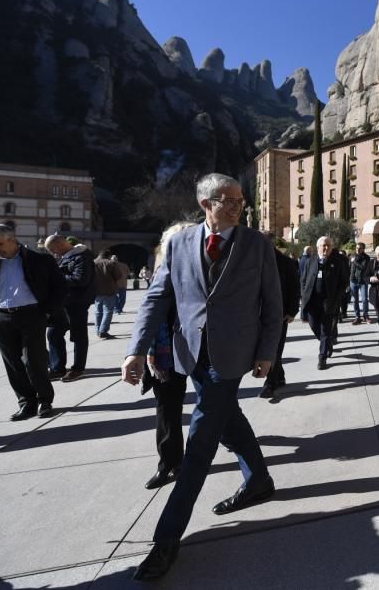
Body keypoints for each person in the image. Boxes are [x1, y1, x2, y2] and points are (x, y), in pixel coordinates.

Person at [122, 172, 282, 581]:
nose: (236, 206)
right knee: (228, 418)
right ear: (205, 204)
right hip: (190, 353)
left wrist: (267, 354)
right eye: (227, 200)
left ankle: (166, 540)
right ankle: (259, 479)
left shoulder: (255, 244)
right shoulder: (178, 243)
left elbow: (273, 303)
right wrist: (136, 349)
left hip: (233, 355)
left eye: (240, 200)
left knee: (198, 448)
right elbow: (157, 297)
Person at [0, 224, 66, 420]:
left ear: (12, 239)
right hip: (0, 318)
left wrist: (47, 312)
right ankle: (27, 403)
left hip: (31, 315)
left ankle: (44, 400)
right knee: (13, 364)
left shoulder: (40, 260)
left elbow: (60, 287)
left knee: (34, 362)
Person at [138, 221, 194, 491]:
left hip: (203, 348)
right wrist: (140, 351)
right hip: (165, 351)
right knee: (167, 411)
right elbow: (149, 312)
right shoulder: (160, 271)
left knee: (221, 409)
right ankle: (170, 463)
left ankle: (199, 456)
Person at [44, 234, 95, 382]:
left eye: (53, 250)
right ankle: (57, 368)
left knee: (78, 337)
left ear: (60, 245)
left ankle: (78, 369)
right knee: (53, 333)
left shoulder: (82, 257)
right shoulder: (68, 256)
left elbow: (80, 279)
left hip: (76, 303)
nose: (54, 254)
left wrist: (55, 277)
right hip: (63, 303)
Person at [261, 231, 300, 399]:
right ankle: (280, 376)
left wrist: (292, 311)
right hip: (258, 314)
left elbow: (294, 289)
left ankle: (270, 384)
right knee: (270, 350)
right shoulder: (254, 262)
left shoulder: (286, 263)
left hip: (280, 313)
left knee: (274, 350)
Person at [300, 236, 348, 370]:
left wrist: (337, 297)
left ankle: (322, 358)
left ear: (332, 247)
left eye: (328, 245)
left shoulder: (337, 262)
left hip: (329, 302)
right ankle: (327, 344)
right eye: (323, 245)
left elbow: (344, 282)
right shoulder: (311, 261)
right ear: (318, 247)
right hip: (312, 301)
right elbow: (303, 280)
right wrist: (303, 295)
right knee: (314, 326)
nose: (326, 248)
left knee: (325, 330)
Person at [92, 249, 122, 339]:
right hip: (109, 290)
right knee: (108, 311)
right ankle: (103, 331)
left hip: (96, 291)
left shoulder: (92, 263)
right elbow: (118, 276)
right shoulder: (110, 263)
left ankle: (98, 330)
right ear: (108, 256)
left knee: (98, 312)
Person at [349, 242, 372, 325]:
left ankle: (365, 316)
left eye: (360, 248)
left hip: (363, 281)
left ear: (363, 249)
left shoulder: (366, 258)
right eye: (356, 248)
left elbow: (362, 267)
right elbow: (349, 268)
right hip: (353, 281)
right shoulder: (352, 256)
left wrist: (354, 261)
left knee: (365, 299)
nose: (358, 250)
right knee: (355, 300)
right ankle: (357, 317)